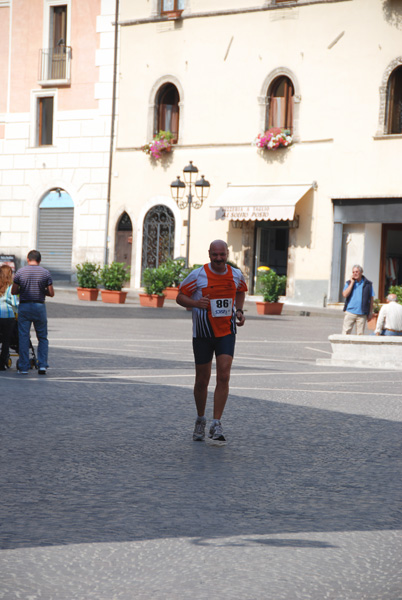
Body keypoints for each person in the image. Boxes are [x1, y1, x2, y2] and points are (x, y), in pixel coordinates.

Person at [176, 240, 248, 443]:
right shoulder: (198, 275)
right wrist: (196, 303)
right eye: (215, 255)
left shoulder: (235, 274)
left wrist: (240, 311)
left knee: (224, 375)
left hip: (226, 331)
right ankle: (200, 419)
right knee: (202, 380)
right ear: (209, 254)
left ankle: (216, 423)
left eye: (222, 255)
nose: (218, 258)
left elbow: (241, 290)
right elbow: (180, 297)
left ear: (227, 254)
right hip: (203, 333)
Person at [11, 250, 54, 375]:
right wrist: (42, 291)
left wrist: (23, 290)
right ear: (39, 260)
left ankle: (24, 367)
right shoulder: (45, 273)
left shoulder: (20, 272)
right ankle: (42, 366)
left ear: (28, 259)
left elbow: (14, 291)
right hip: (39, 306)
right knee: (42, 337)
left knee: (23, 337)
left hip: (24, 306)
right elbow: (51, 293)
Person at [342, 265, 374, 335]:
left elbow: (371, 299)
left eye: (357, 271)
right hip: (350, 312)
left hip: (362, 314)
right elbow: (345, 294)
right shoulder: (349, 283)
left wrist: (370, 312)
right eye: (353, 272)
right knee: (346, 333)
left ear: (361, 272)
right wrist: (352, 283)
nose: (355, 273)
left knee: (360, 334)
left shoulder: (368, 284)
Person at [0, 265, 18, 371]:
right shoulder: (11, 287)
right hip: (8, 316)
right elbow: (15, 303)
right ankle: (2, 363)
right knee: (6, 341)